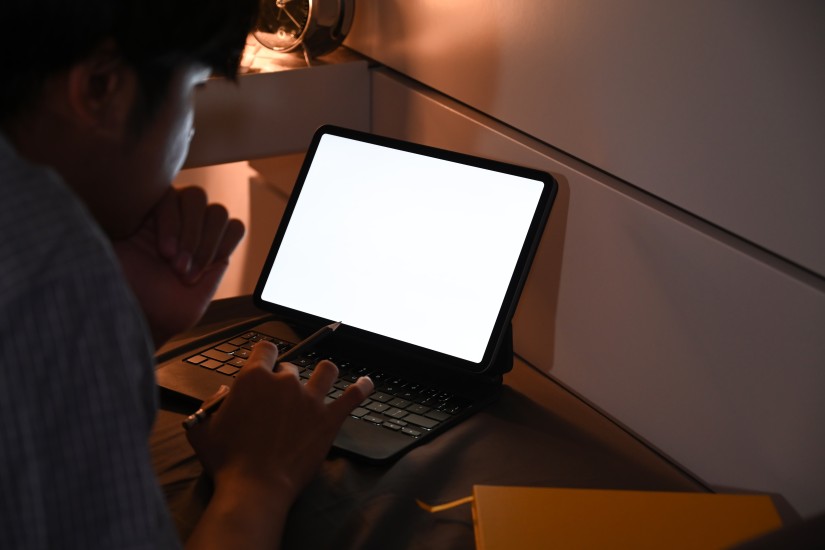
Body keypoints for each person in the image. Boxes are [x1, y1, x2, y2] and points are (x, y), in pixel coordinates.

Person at [0, 1, 373, 548]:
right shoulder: (57, 278)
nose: (190, 128)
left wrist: (136, 324)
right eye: (193, 91)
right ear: (100, 87)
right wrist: (259, 479)